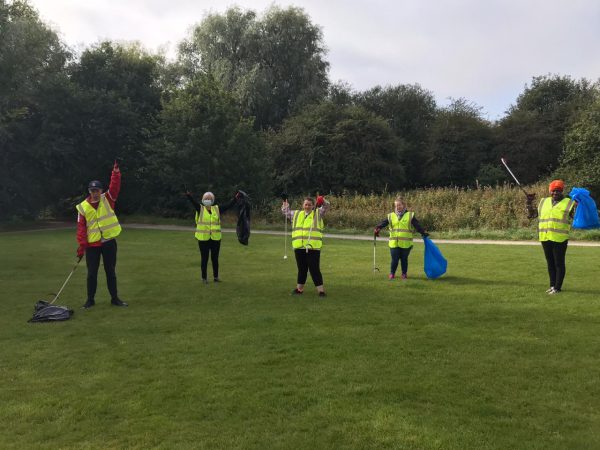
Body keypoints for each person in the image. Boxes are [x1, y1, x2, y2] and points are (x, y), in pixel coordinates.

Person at [76, 161, 127, 309]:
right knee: (91, 273)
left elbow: (115, 186)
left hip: (109, 242)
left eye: (97, 190)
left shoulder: (108, 198)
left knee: (110, 271)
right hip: (92, 245)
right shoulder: (82, 207)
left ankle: (115, 298)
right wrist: (81, 246)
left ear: (101, 191)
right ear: (89, 191)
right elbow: (81, 228)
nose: (95, 193)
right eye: (92, 191)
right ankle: (90, 300)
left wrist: (116, 172)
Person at [527, 180, 577, 295]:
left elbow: (576, 217)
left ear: (562, 191)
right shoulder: (543, 201)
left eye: (558, 191)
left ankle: (558, 288)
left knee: (559, 263)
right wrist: (529, 203)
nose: (555, 193)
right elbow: (532, 215)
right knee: (550, 262)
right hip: (545, 236)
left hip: (560, 238)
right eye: (554, 190)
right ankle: (552, 286)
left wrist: (580, 207)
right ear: (550, 191)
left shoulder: (569, 203)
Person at [186, 190, 239, 283]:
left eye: (209, 199)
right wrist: (189, 196)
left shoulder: (217, 209)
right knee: (204, 259)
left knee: (215, 258)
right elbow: (193, 203)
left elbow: (228, 206)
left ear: (213, 200)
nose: (207, 200)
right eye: (206, 198)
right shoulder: (200, 208)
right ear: (202, 200)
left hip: (215, 238)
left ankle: (216, 277)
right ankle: (204, 278)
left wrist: (235, 198)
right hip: (203, 239)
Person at [282, 196, 330, 297]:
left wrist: (323, 200)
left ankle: (321, 291)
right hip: (299, 247)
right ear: (303, 205)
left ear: (313, 206)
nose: (307, 206)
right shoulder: (296, 214)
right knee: (301, 269)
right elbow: (286, 212)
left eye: (309, 204)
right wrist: (285, 206)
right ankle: (299, 289)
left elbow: (327, 206)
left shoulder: (318, 213)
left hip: (313, 247)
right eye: (305, 204)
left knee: (314, 269)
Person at [374, 197, 429, 280]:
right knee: (394, 259)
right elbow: (383, 223)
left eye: (399, 205)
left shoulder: (410, 215)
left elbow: (417, 226)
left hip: (406, 243)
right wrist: (377, 228)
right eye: (396, 205)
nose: (397, 207)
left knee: (404, 259)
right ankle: (392, 274)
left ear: (403, 205)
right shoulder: (391, 216)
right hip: (393, 243)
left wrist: (423, 233)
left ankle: (404, 274)